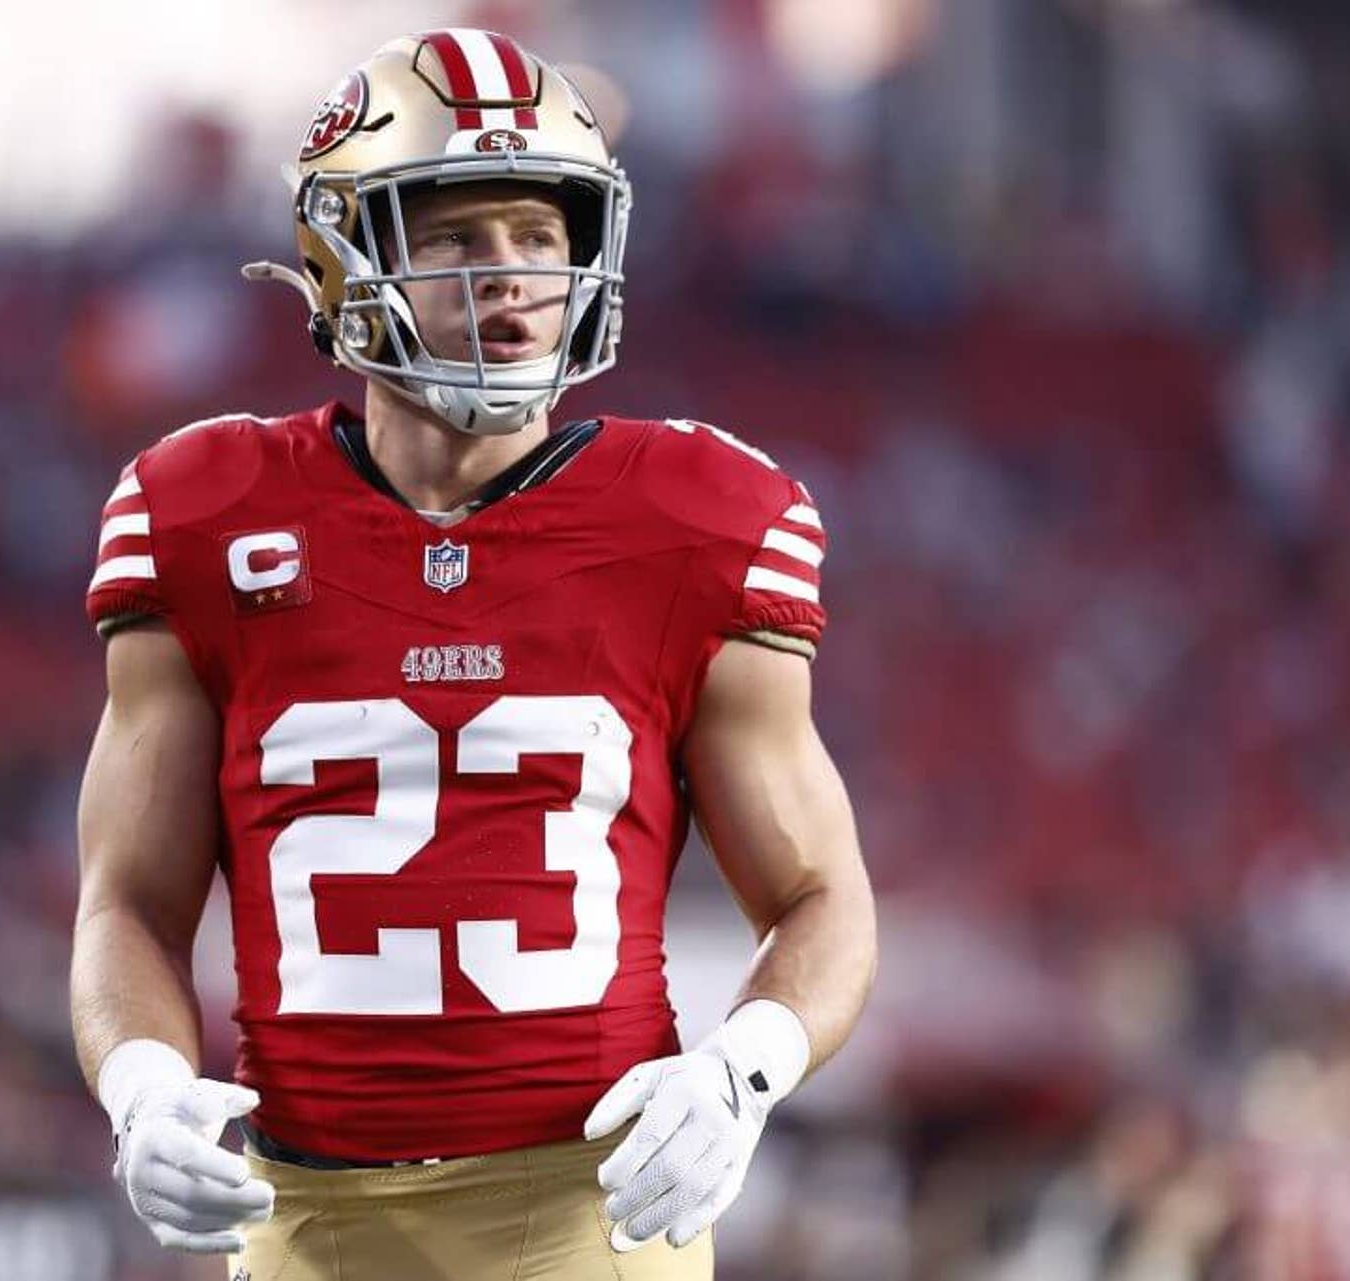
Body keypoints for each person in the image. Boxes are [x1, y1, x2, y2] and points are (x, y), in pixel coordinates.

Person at [70, 28, 877, 1280]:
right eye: (454, 237)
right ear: (341, 254)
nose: (508, 278)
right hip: (303, 1223)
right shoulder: (205, 512)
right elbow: (127, 898)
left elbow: (822, 895)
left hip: (589, 1214)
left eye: (538, 237)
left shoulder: (698, 518)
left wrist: (740, 1072)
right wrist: (140, 1085)